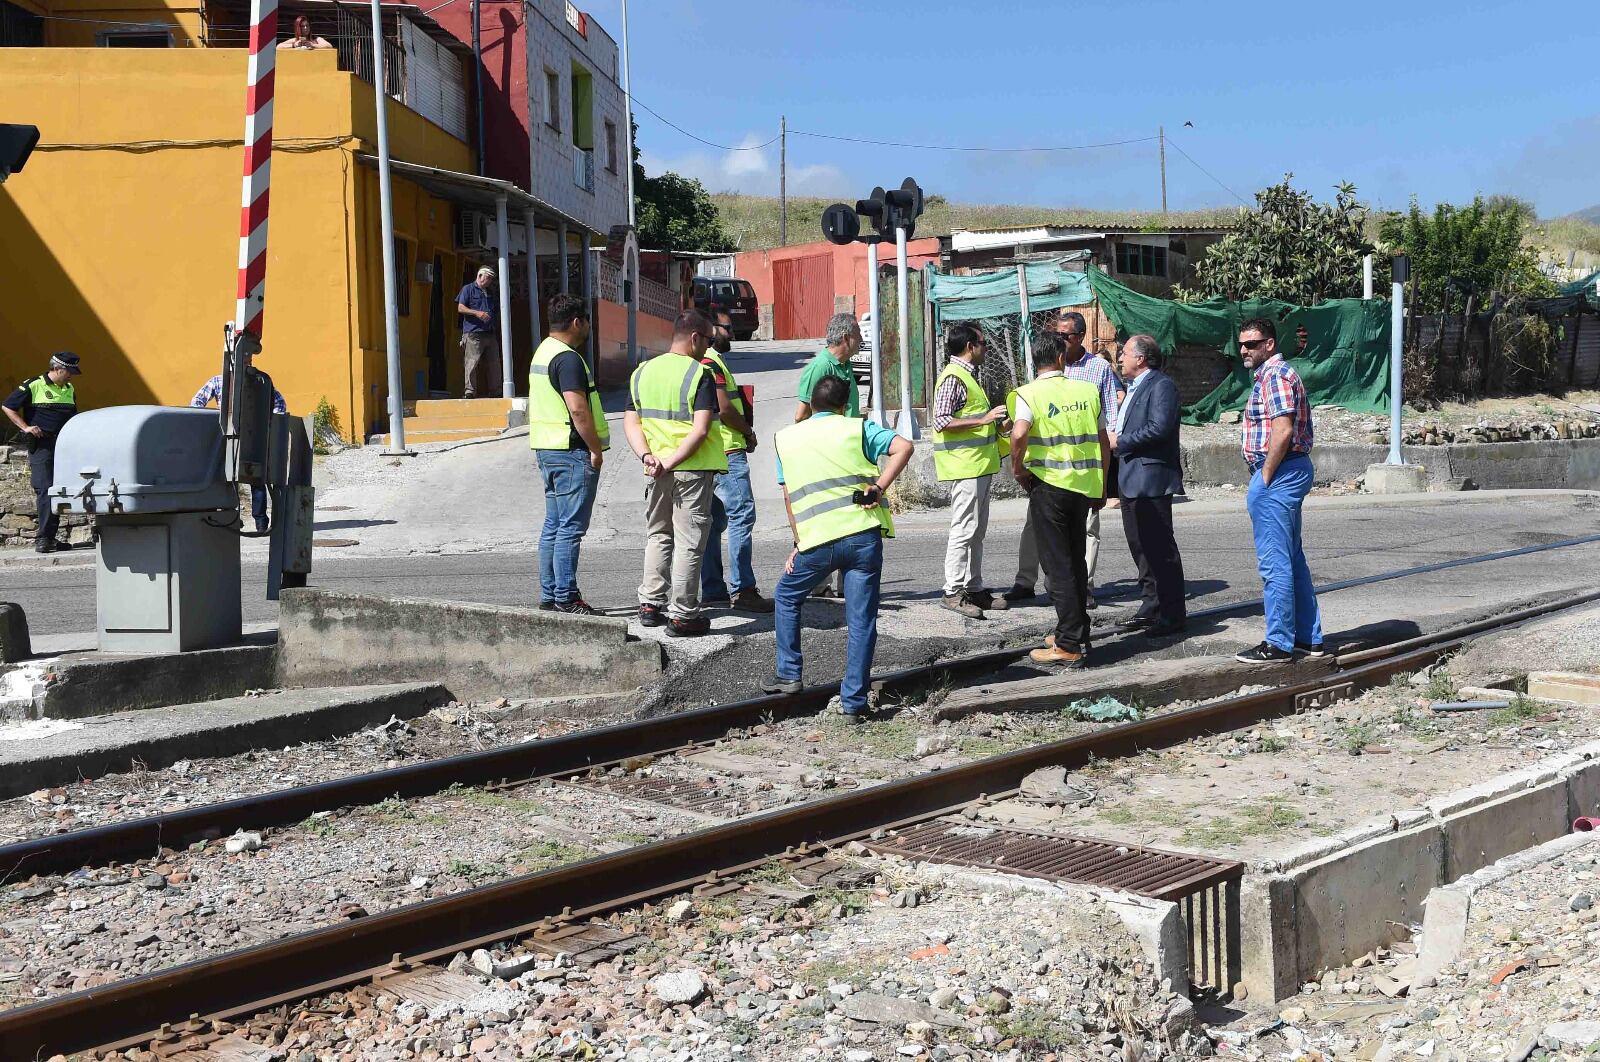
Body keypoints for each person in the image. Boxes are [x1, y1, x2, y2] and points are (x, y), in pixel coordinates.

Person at [763, 373, 913, 722]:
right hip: (862, 536)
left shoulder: (786, 438)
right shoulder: (857, 429)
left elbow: (789, 497)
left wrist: (798, 542)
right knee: (861, 620)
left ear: (812, 405)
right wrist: (879, 486)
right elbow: (904, 446)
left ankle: (789, 673)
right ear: (845, 406)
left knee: (786, 595)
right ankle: (853, 703)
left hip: (817, 540)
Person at [1009, 333, 1109, 668]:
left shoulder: (1029, 393)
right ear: (1062, 359)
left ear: (1034, 361)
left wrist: (1018, 469)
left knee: (1058, 566)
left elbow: (1019, 433)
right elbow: (1103, 441)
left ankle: (1067, 644)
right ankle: (1077, 629)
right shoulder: (1087, 391)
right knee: (1076, 560)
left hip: (1049, 486)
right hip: (1083, 487)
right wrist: (1102, 485)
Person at [1007, 310, 1119, 607]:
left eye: (1064, 335)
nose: (1059, 339)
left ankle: (1082, 588)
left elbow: (1108, 423)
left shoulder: (1098, 369)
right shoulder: (1045, 370)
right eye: (1056, 334)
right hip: (1049, 473)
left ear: (1080, 337)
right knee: (1035, 527)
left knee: (1086, 531)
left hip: (1083, 473)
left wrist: (1103, 480)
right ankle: (1026, 581)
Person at [624, 310, 726, 637]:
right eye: (708, 340)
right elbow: (700, 430)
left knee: (658, 534)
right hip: (690, 470)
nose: (709, 347)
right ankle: (683, 615)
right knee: (689, 543)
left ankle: (650, 604)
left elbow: (631, 422)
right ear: (695, 338)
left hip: (654, 470)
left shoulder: (642, 372)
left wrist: (648, 457)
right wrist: (670, 461)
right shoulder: (700, 374)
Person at [1234, 317, 1325, 663]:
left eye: (1251, 344)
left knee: (1274, 562)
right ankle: (1307, 638)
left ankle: (1279, 643)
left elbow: (1283, 430)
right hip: (1287, 470)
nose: (1244, 350)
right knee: (1291, 558)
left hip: (1279, 472)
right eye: (1241, 345)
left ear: (1269, 344)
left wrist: (1266, 475)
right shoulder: (1275, 375)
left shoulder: (1275, 376)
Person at [529, 292, 606, 615]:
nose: (588, 327)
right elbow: (578, 409)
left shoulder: (543, 351)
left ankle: (550, 594)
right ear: (577, 322)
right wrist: (595, 448)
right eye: (586, 321)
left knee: (554, 525)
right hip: (571, 451)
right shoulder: (568, 358)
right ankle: (567, 596)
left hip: (548, 449)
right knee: (571, 528)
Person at [1108, 334, 1187, 637]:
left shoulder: (1161, 385)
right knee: (1140, 547)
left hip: (1150, 480)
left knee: (1160, 549)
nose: (1120, 358)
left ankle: (1172, 614)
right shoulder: (1133, 387)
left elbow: (1159, 428)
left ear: (1140, 358)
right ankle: (1151, 607)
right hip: (1130, 479)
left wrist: (1120, 441)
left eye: (1125, 353)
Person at [930, 322, 1008, 619]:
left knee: (976, 531)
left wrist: (996, 424)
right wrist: (983, 419)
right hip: (965, 466)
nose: (986, 349)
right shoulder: (954, 377)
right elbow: (941, 420)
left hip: (978, 465)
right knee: (964, 530)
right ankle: (952, 591)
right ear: (970, 347)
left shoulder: (966, 376)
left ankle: (974, 588)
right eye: (983, 343)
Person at [700, 308, 772, 613]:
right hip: (727, 451)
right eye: (726, 328)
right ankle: (743, 589)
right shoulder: (710, 362)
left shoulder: (704, 360)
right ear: (711, 328)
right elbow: (726, 409)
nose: (731, 334)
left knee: (712, 523)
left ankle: (713, 590)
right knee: (742, 515)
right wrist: (748, 432)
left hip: (712, 452)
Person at [794, 312, 863, 599]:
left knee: (849, 520)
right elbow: (801, 416)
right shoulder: (819, 367)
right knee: (824, 519)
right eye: (858, 335)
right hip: (826, 457)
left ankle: (846, 586)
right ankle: (818, 584)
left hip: (847, 454)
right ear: (846, 337)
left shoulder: (844, 366)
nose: (861, 340)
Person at [190, 357, 287, 534]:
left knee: (257, 478)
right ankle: (232, 518)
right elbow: (197, 402)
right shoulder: (219, 381)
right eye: (243, 360)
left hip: (254, 436)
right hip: (228, 436)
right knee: (227, 479)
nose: (246, 363)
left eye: (248, 360)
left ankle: (260, 523)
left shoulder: (260, 381)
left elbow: (279, 402)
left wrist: (269, 425)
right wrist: (215, 421)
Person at [3, 352, 81, 553]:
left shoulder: (69, 388)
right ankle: (43, 539)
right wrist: (25, 427)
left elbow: (73, 417)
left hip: (63, 446)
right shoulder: (34, 384)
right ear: (57, 368)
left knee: (59, 490)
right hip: (41, 445)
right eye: (69, 371)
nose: (71, 376)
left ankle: (50, 538)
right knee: (45, 489)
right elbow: (8, 406)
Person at [456, 266, 501, 399]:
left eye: (491, 279)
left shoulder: (490, 292)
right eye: (488, 278)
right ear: (480, 276)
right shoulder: (468, 289)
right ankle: (470, 391)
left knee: (494, 363)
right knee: (471, 362)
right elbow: (460, 307)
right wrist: (477, 313)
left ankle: (496, 390)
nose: (489, 281)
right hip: (473, 333)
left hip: (489, 332)